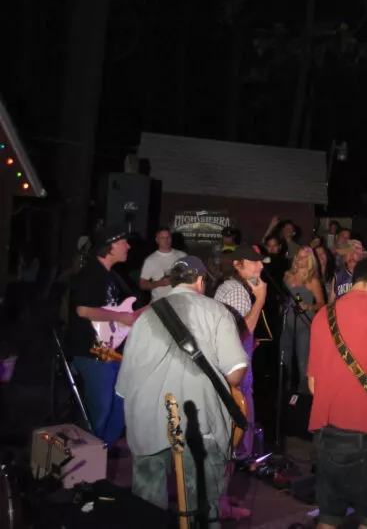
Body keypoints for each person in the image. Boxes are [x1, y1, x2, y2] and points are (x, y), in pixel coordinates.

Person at [116, 256, 249, 527]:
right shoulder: (217, 311)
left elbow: (125, 385)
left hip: (148, 420)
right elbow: (236, 371)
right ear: (200, 281)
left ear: (173, 282)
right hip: (200, 422)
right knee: (201, 506)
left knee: (147, 509)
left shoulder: (145, 316)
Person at [307, 257, 367, 529]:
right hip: (362, 431)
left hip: (325, 434)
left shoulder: (324, 313)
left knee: (329, 514)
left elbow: (313, 385)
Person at [65, 225, 144, 446]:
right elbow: (83, 310)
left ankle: (100, 460)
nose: (128, 246)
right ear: (109, 247)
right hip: (91, 353)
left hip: (110, 352)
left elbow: (116, 312)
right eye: (123, 242)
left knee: (119, 409)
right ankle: (85, 472)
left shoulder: (112, 277)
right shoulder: (91, 273)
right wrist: (122, 319)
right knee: (99, 413)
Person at [213, 244, 267, 457]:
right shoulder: (236, 290)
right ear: (238, 265)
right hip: (234, 369)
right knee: (241, 408)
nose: (260, 266)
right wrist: (261, 299)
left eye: (260, 261)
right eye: (254, 262)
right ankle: (240, 455)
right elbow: (240, 334)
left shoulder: (234, 287)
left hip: (229, 363)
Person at [281, 247, 325, 393]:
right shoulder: (287, 276)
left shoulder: (312, 281)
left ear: (310, 260)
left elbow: (321, 303)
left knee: (303, 360)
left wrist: (309, 306)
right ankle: (285, 391)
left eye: (304, 257)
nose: (300, 259)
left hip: (304, 323)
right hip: (287, 321)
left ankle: (305, 395)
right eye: (298, 256)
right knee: (284, 356)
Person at [139, 227, 187, 301]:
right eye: (162, 238)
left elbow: (190, 275)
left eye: (168, 237)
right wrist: (159, 283)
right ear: (157, 240)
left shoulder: (182, 255)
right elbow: (142, 284)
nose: (166, 240)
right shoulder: (151, 260)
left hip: (180, 301)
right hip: (161, 303)